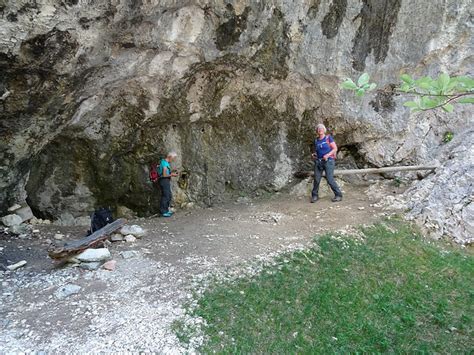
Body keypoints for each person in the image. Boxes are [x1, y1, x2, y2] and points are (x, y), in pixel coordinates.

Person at [311, 124, 343, 203]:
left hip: (329, 161)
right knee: (316, 179)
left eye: (321, 128)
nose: (320, 130)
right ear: (317, 131)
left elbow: (335, 148)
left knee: (330, 179)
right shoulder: (316, 140)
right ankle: (314, 196)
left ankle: (338, 195)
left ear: (324, 130)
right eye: (318, 129)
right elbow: (317, 151)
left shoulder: (328, 138)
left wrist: (328, 155)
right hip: (319, 161)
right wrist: (314, 154)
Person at [158, 152, 179, 217]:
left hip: (165, 180)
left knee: (168, 195)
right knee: (166, 196)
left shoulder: (164, 162)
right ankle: (163, 211)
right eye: (173, 158)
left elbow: (165, 172)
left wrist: (171, 172)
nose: (174, 160)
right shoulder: (164, 163)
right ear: (170, 157)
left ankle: (166, 210)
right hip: (164, 181)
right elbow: (164, 175)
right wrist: (172, 174)